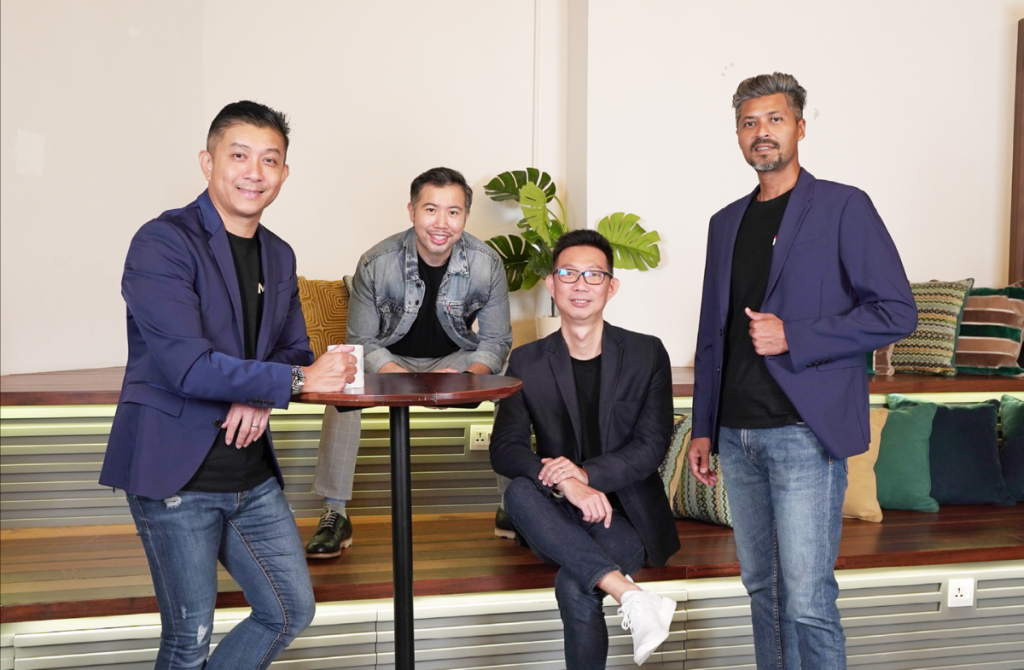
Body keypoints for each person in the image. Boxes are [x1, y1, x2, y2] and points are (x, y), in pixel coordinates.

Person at [99, 101, 358, 669]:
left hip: (251, 475)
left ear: (284, 173)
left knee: (289, 609)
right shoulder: (162, 242)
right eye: (239, 155)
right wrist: (291, 381)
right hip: (176, 477)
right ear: (207, 161)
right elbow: (188, 367)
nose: (254, 172)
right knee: (188, 640)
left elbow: (294, 349)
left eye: (270, 160)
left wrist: (263, 392)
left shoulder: (279, 254)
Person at [687, 73, 917, 669]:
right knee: (763, 591)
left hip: (803, 433)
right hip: (736, 435)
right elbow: (713, 334)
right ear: (738, 135)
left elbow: (897, 312)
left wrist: (797, 335)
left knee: (808, 600)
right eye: (749, 122)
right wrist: (704, 427)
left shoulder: (843, 206)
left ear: (800, 128)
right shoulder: (724, 222)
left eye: (775, 119)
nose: (761, 132)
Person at [489, 230, 679, 668]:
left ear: (611, 287)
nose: (580, 284)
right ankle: (632, 596)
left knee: (575, 586)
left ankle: (628, 595)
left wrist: (586, 476)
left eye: (594, 275)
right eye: (568, 274)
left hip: (625, 515)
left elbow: (652, 445)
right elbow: (505, 448)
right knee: (518, 491)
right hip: (557, 514)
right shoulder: (527, 360)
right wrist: (568, 486)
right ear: (551, 284)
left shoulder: (647, 353)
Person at [305, 166, 512, 557]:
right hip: (389, 360)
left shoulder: (487, 263)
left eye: (453, 212)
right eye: (430, 209)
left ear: (466, 216)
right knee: (342, 383)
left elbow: (496, 340)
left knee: (509, 382)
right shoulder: (376, 261)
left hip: (455, 360)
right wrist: (400, 377)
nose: (441, 222)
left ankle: (512, 504)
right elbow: (362, 341)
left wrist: (469, 376)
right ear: (412, 211)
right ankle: (335, 513)